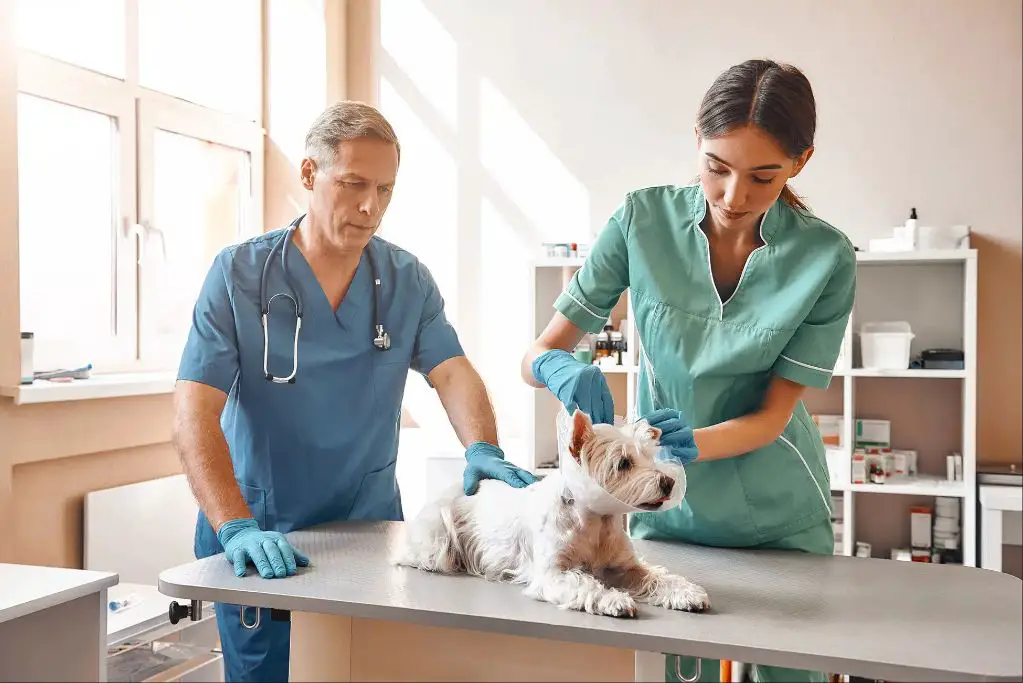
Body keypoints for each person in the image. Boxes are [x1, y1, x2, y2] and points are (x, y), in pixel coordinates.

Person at [172, 100, 537, 683]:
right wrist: (234, 525)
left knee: (364, 670)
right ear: (311, 174)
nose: (371, 207)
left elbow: (452, 371)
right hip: (263, 532)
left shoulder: (405, 279)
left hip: (366, 534)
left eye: (386, 190)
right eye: (354, 184)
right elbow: (194, 411)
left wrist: (483, 448)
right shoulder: (239, 275)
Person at [522, 59, 855, 683]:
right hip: (662, 514)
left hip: (776, 514)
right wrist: (558, 370)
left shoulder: (825, 256)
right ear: (696, 142)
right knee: (672, 670)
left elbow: (772, 416)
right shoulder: (641, 221)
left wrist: (687, 447)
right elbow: (537, 354)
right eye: (716, 167)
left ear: (800, 162)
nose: (733, 196)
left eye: (763, 176)